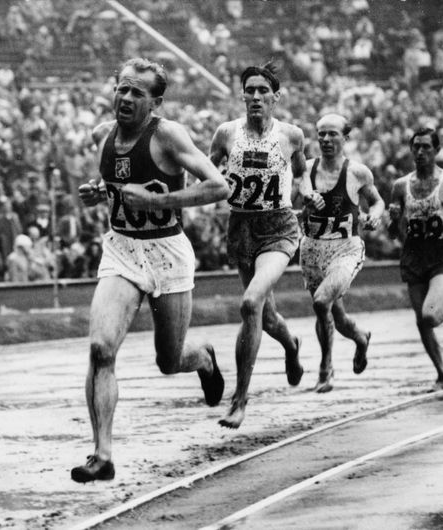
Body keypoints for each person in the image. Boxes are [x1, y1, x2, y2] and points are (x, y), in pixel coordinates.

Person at [71, 58, 229, 482]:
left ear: (155, 102)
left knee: (169, 359)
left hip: (166, 253)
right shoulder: (103, 135)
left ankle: (205, 360)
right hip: (122, 249)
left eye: (136, 93)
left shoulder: (168, 135)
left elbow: (219, 186)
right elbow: (119, 181)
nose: (124, 98)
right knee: (100, 349)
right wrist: (99, 191)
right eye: (121, 88)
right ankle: (102, 454)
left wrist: (157, 203)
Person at [209, 62, 306, 428]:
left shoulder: (291, 134)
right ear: (242, 95)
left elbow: (302, 168)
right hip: (242, 227)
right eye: (249, 90)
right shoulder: (226, 133)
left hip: (278, 226)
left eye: (262, 91)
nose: (255, 96)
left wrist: (307, 191)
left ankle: (239, 399)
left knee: (250, 302)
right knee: (264, 317)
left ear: (275, 97)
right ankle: (290, 344)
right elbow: (205, 168)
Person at [300, 113, 386, 393]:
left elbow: (376, 201)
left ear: (345, 138)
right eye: (321, 133)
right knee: (336, 317)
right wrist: (305, 202)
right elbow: (289, 202)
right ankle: (361, 338)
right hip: (313, 250)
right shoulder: (307, 170)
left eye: (332, 134)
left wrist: (374, 216)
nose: (325, 139)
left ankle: (326, 368)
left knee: (321, 301)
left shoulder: (357, 172)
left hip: (345, 250)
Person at [387, 127, 443, 392]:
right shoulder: (400, 186)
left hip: (442, 255)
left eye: (426, 147)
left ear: (436, 150)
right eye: (416, 147)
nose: (420, 152)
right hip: (414, 256)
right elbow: (393, 229)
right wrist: (393, 220)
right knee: (421, 321)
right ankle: (442, 374)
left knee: (429, 315)